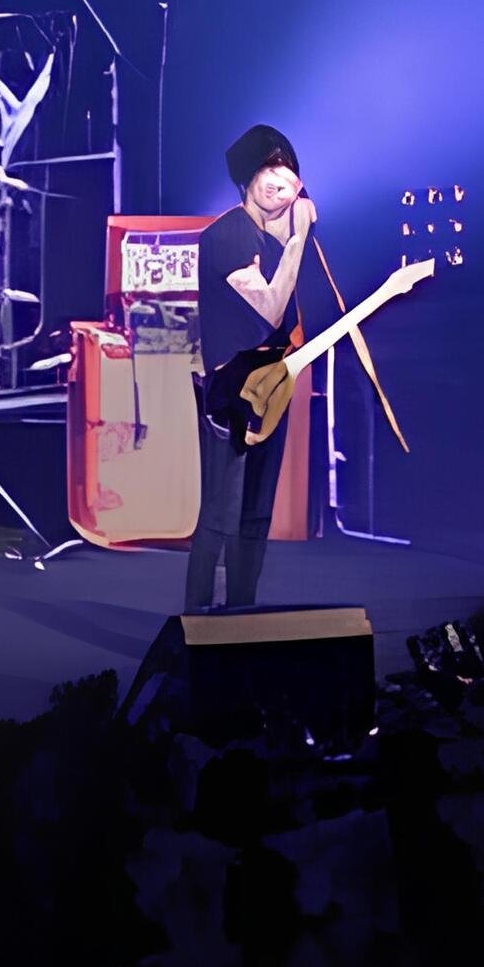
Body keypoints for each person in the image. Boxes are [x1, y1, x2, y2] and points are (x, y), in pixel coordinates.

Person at [189, 124, 314, 612]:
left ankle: (243, 614)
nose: (280, 180)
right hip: (229, 393)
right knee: (221, 513)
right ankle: (199, 618)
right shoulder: (225, 235)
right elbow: (270, 309)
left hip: (273, 388)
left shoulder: (283, 242)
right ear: (246, 178)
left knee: (257, 513)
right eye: (268, 169)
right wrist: (299, 239)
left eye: (288, 170)